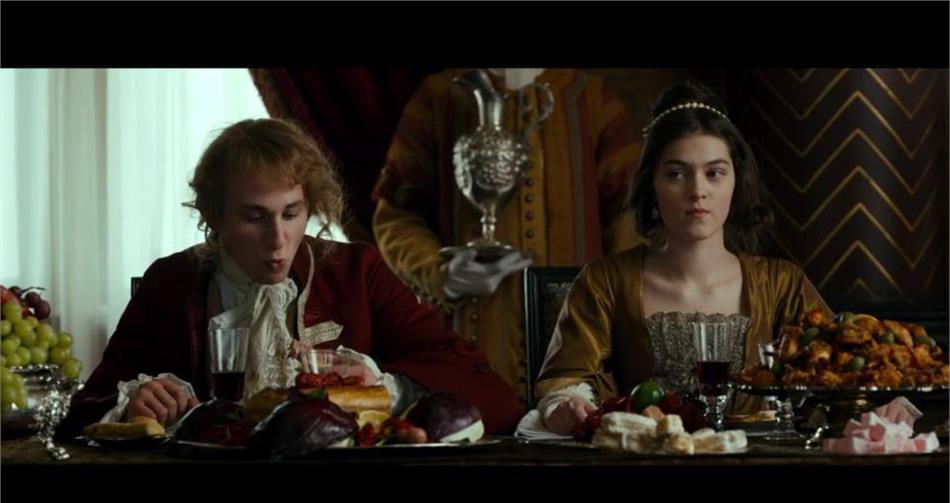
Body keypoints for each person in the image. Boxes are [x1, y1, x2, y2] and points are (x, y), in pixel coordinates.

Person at [58, 118, 523, 438]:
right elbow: (82, 411)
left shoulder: (358, 272)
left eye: (291, 213)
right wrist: (134, 404)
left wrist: (382, 388)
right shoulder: (171, 281)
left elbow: (492, 394)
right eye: (253, 217)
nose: (278, 240)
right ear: (214, 214)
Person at [524, 81, 832, 435]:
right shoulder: (604, 281)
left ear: (736, 181)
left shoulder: (782, 284)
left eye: (714, 173)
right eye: (676, 174)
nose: (697, 191)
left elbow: (837, 369)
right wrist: (566, 405)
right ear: (652, 184)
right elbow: (566, 379)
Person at [372, 68, 645, 402]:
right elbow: (396, 214)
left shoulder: (593, 99)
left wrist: (614, 311)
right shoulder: (438, 96)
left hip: (576, 348)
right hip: (468, 340)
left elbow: (632, 218)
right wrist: (440, 274)